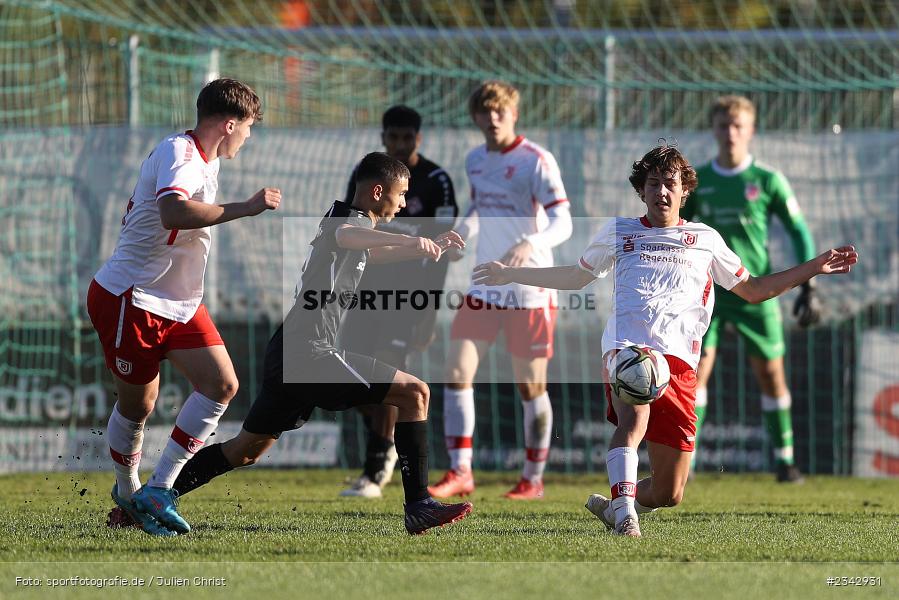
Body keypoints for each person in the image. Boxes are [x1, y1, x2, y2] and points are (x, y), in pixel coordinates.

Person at [472, 144, 857, 537]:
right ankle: (626, 516)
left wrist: (814, 268)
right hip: (628, 349)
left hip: (680, 364)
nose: (661, 192)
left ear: (685, 190)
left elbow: (754, 290)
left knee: (669, 492)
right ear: (641, 190)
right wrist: (511, 274)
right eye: (653, 183)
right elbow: (575, 276)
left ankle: (618, 505)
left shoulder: (705, 239)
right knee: (633, 417)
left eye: (670, 183)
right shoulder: (619, 231)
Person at [170, 152, 472, 535]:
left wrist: (426, 247)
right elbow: (348, 236)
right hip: (310, 352)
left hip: (289, 352)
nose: (403, 203)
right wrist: (412, 240)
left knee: (245, 450)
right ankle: (419, 506)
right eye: (400, 194)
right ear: (378, 192)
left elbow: (369, 252)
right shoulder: (347, 222)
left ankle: (155, 494)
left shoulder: (347, 219)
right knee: (416, 393)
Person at [87, 79, 281, 536]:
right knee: (139, 406)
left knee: (221, 384)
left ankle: (159, 489)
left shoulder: (208, 160)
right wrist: (245, 207)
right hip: (132, 298)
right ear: (230, 124)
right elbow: (173, 211)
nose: (248, 136)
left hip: (179, 302)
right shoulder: (181, 153)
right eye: (248, 127)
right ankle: (128, 491)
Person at [429, 80, 572, 500]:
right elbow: (479, 207)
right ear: (475, 117)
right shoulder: (475, 160)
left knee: (530, 386)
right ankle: (460, 471)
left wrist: (531, 243)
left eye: (500, 112)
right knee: (456, 371)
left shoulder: (536, 161)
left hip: (529, 289)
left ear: (514, 115)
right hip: (485, 286)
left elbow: (563, 221)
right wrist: (461, 234)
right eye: (485, 112)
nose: (492, 119)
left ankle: (533, 479)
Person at [682, 95, 819, 483]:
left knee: (771, 374)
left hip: (754, 290)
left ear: (751, 130)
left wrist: (809, 288)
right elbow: (677, 230)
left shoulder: (768, 180)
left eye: (737, 125)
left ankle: (785, 461)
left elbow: (798, 231)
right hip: (708, 293)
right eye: (723, 125)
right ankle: (687, 461)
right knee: (695, 373)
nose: (730, 133)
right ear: (713, 130)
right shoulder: (699, 181)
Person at [338, 106, 457, 498]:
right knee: (348, 380)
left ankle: (374, 471)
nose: (401, 144)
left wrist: (430, 307)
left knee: (390, 373)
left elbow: (441, 251)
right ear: (384, 138)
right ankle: (386, 439)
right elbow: (352, 230)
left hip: (410, 298)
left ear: (418, 139)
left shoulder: (437, 181)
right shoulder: (368, 174)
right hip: (365, 290)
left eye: (408, 138)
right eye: (394, 137)